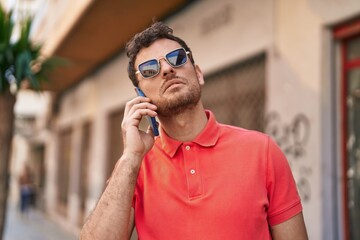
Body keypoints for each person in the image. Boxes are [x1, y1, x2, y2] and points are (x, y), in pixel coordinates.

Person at [80, 21, 308, 240]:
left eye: (177, 59)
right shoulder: (134, 168)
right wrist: (130, 157)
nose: (168, 69)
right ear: (140, 94)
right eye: (150, 69)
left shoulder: (263, 151)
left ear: (198, 73)